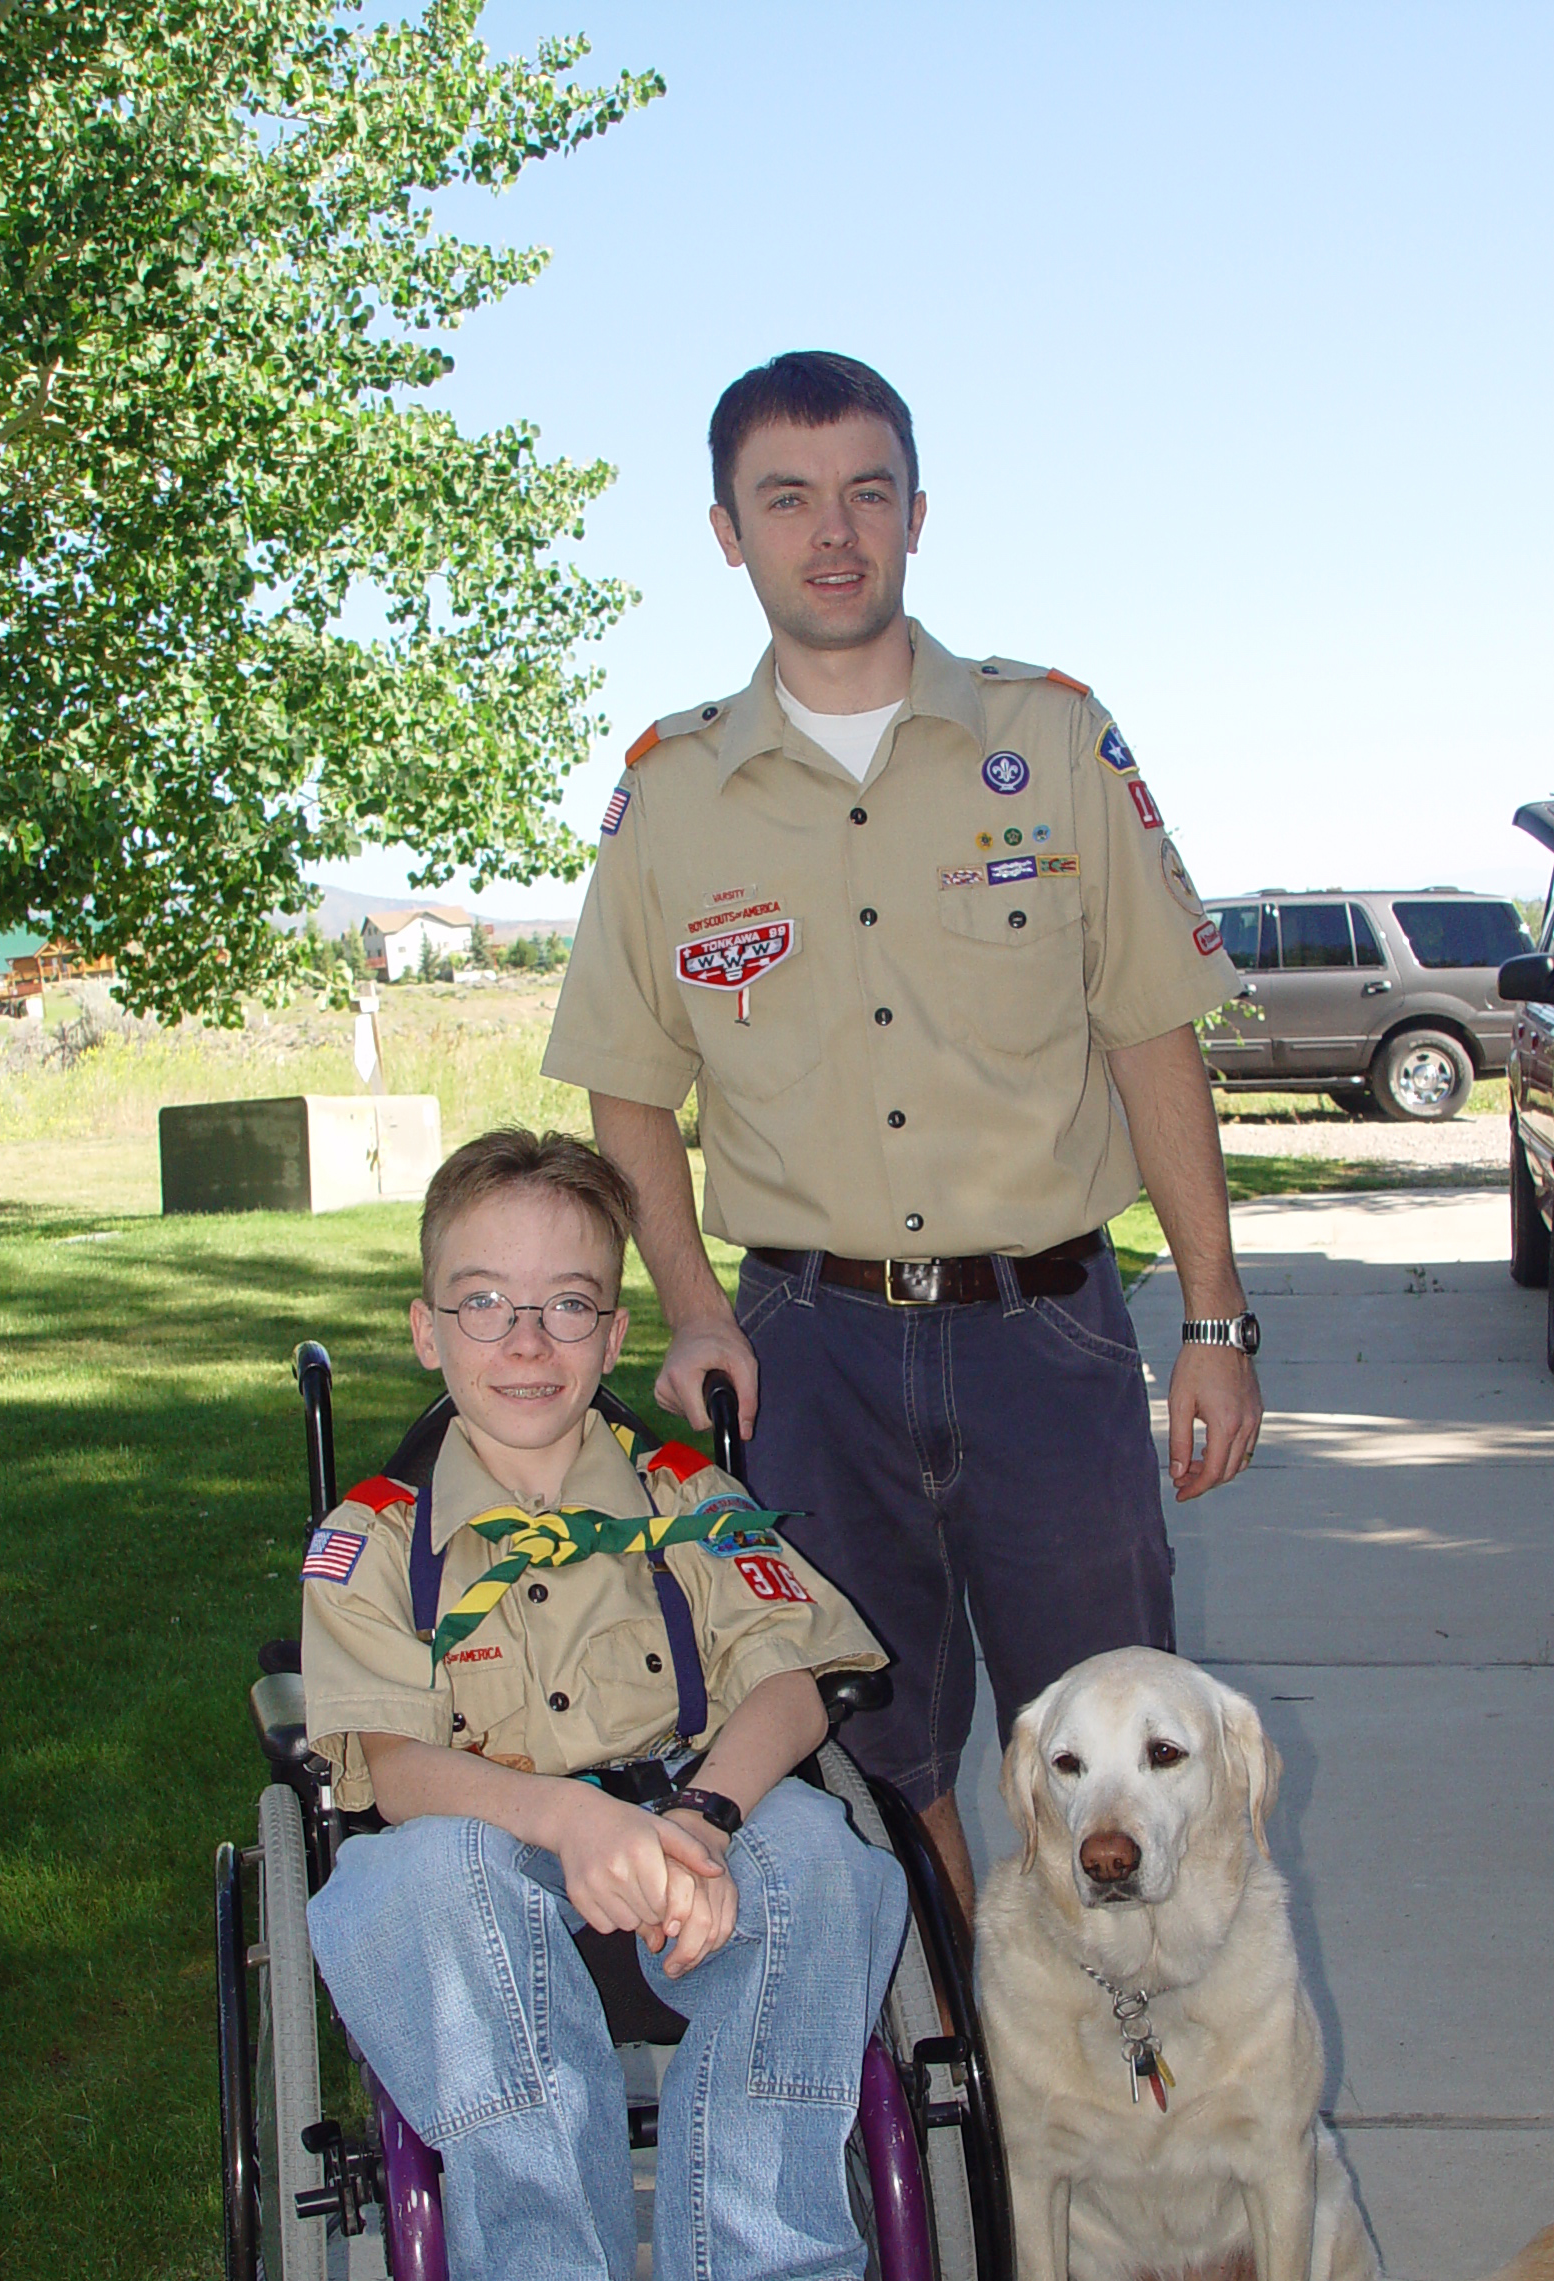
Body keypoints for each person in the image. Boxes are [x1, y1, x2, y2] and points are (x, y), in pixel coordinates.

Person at [542, 350, 1262, 1919]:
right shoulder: (673, 795)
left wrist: (1214, 1317)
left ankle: (1137, 2092)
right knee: (854, 1756)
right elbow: (626, 1083)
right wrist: (696, 1310)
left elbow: (1153, 1033)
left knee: (1117, 1750)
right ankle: (961, 2076)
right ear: (728, 533)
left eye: (868, 491)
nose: (835, 532)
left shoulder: (1053, 740)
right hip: (810, 1354)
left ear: (919, 513)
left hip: (1048, 1340)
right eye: (787, 499)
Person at [299, 1128, 915, 2281]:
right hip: (489, 1871)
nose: (526, 1343)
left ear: (611, 1325)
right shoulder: (375, 1536)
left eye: (566, 1306)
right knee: (421, 1877)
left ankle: (760, 2275)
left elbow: (792, 1677)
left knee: (824, 1857)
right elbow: (393, 1767)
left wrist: (702, 1819)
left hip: (687, 1845)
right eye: (485, 1303)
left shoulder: (682, 1492)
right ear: (427, 1330)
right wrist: (565, 1818)